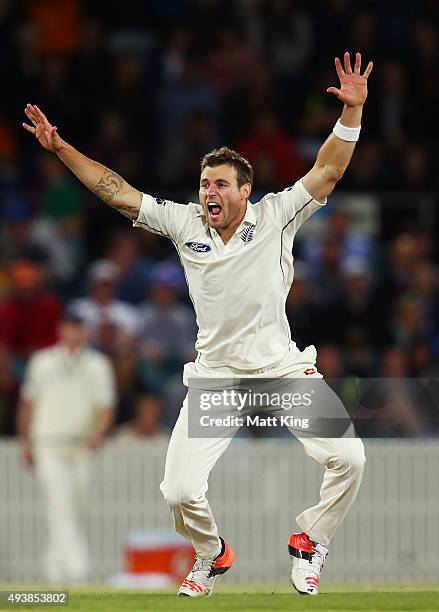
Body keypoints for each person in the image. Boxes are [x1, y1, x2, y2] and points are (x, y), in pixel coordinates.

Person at [23, 51, 373, 597]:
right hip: (216, 378)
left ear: (243, 191)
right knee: (179, 491)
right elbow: (115, 189)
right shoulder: (184, 223)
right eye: (204, 183)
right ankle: (212, 554)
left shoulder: (277, 215)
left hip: (281, 369)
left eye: (218, 185)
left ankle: (311, 539)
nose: (207, 192)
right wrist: (62, 147)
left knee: (350, 458)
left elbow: (327, 169)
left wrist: (350, 114)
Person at [17, 313, 116, 584]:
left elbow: (105, 407)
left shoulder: (98, 365)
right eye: (69, 328)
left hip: (81, 445)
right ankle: (77, 571)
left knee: (75, 508)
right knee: (60, 506)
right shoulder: (42, 362)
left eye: (79, 328)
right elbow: (28, 404)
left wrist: (97, 435)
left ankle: (52, 570)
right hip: (47, 442)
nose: (74, 333)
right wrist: (26, 442)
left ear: (84, 332)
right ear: (61, 330)